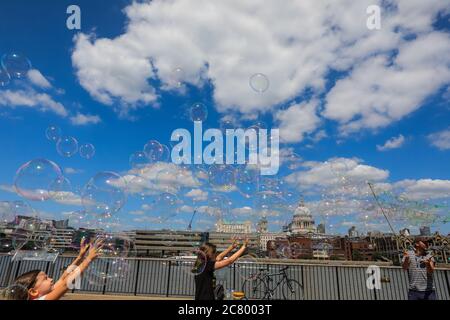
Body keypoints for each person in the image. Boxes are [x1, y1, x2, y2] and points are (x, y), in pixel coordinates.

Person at [12, 237, 103, 300]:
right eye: (45, 279)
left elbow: (64, 278)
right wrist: (88, 259)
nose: (51, 279)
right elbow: (65, 284)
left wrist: (80, 257)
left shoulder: (44, 295)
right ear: (33, 291)